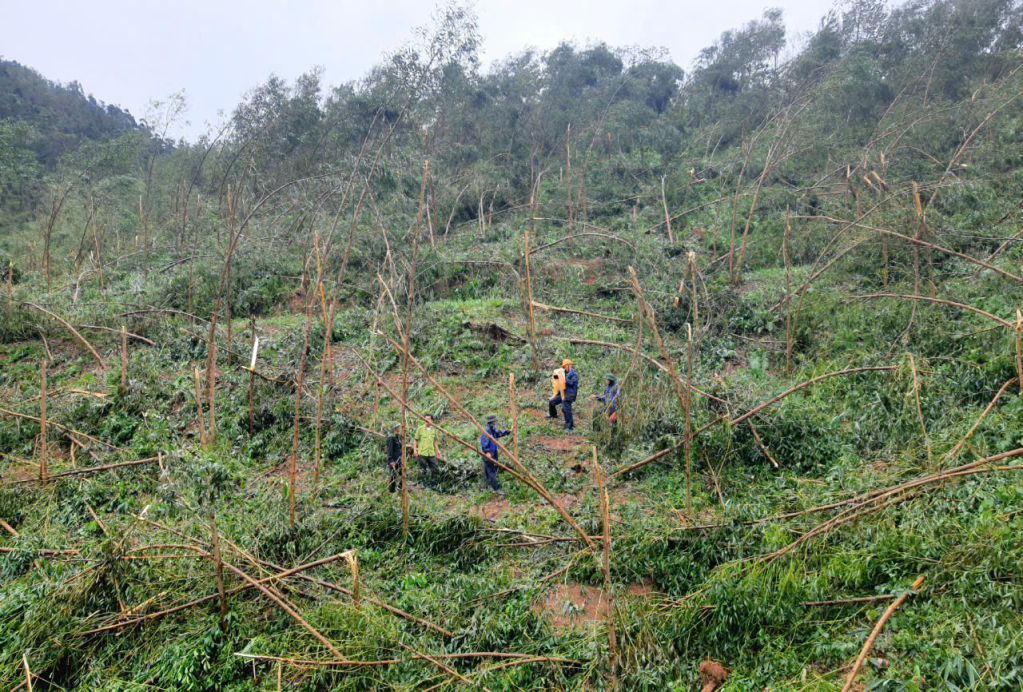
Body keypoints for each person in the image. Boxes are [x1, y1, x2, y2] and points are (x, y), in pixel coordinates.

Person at [480, 413, 511, 493]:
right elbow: (484, 442)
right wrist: (487, 452)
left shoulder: (492, 429)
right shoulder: (486, 430)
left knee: (488, 470)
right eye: (495, 421)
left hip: (493, 453)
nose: (496, 422)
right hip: (489, 454)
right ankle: (496, 489)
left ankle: (483, 486)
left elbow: (499, 433)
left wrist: (508, 431)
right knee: (491, 471)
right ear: (492, 421)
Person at [547, 358, 579, 431]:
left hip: (570, 394)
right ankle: (553, 414)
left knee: (565, 408)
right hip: (562, 392)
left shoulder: (574, 374)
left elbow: (571, 383)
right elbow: (557, 379)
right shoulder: (563, 373)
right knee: (552, 401)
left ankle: (569, 426)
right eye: (563, 367)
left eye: (565, 366)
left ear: (569, 366)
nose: (564, 368)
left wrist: (565, 380)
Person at [413, 414, 440, 488]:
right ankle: (424, 485)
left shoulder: (434, 429)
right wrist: (415, 450)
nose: (427, 420)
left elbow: (435, 441)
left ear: (432, 420)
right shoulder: (420, 428)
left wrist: (437, 451)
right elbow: (415, 440)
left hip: (431, 453)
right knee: (423, 469)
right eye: (425, 419)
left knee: (435, 469)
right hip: (422, 453)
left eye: (428, 419)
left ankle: (433, 485)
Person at [384, 422, 403, 493]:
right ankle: (391, 491)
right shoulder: (391, 438)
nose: (399, 428)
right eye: (398, 427)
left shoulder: (397, 437)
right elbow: (390, 450)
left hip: (398, 460)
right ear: (395, 428)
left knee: (403, 474)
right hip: (394, 460)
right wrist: (391, 461)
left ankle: (399, 488)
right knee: (393, 476)